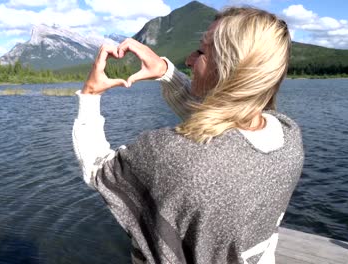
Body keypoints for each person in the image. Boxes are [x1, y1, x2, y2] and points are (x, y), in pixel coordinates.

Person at [72, 7, 304, 264]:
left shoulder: (173, 155)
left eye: (202, 51)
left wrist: (90, 95)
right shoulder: (288, 137)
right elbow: (219, 123)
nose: (189, 60)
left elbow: (99, 170)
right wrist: (164, 71)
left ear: (230, 68)